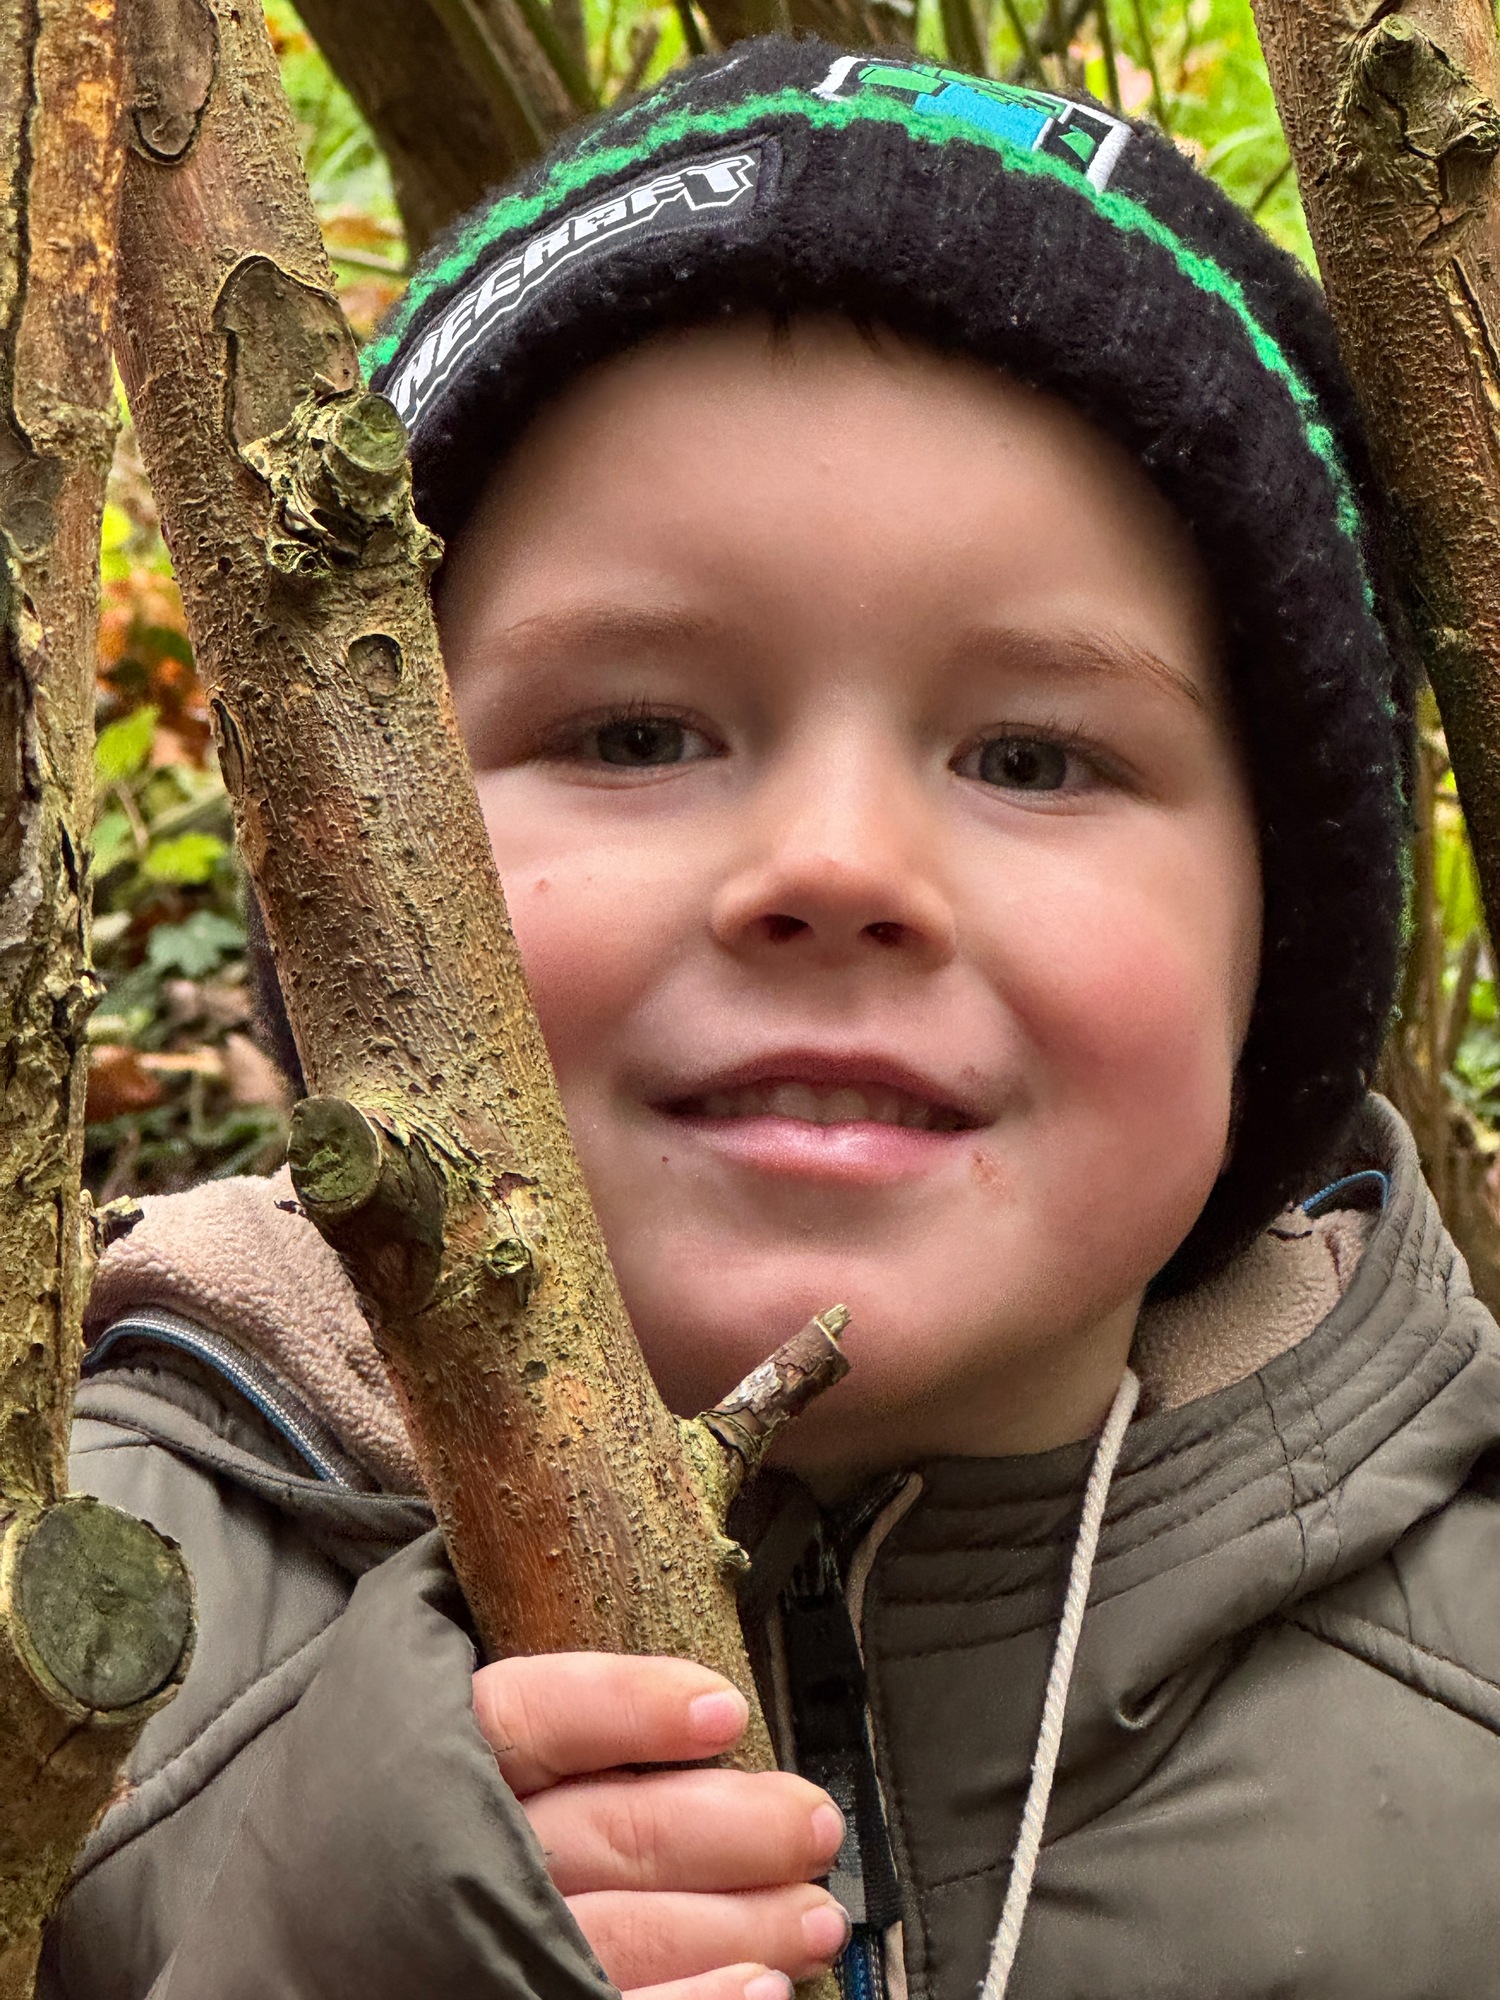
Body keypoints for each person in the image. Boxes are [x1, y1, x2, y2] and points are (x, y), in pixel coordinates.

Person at [42, 36, 1500, 2000]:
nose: (835, 863)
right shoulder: (89, 1629)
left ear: (1281, 931)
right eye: (635, 734)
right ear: (343, 849)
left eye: (1035, 758)